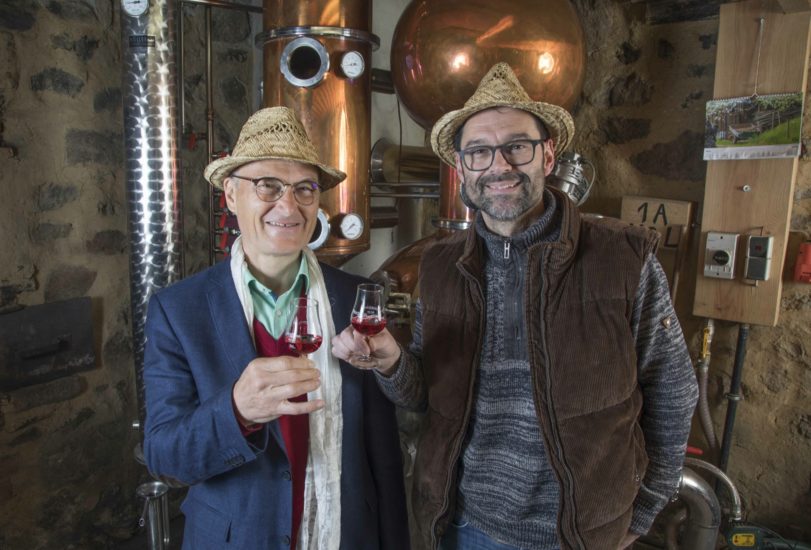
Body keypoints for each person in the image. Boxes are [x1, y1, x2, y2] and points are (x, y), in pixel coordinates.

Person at [332, 63, 699, 550]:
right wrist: (393, 364)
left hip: (579, 535)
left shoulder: (621, 258)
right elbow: (426, 396)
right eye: (479, 152)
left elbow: (673, 389)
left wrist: (646, 509)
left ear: (548, 155)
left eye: (517, 146)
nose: (499, 166)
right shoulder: (440, 265)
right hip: (463, 526)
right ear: (461, 168)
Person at [142, 106, 409, 550]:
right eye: (267, 185)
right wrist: (236, 411)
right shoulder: (178, 310)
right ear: (231, 194)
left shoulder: (355, 299)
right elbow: (165, 458)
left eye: (304, 188)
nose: (288, 206)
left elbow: (383, 452)